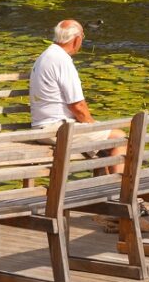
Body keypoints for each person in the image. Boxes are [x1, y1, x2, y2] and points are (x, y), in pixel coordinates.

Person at [29, 19, 126, 172]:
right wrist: (92, 125)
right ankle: (121, 191)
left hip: (44, 126)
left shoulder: (47, 55)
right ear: (77, 39)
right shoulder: (62, 60)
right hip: (57, 129)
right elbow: (77, 106)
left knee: (105, 139)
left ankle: (108, 187)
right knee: (119, 138)